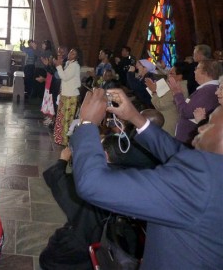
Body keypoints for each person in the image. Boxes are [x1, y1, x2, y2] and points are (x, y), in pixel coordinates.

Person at [70, 87, 223, 270]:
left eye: (211, 123)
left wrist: (87, 124)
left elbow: (92, 183)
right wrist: (136, 118)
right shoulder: (214, 168)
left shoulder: (203, 183)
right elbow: (178, 153)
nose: (202, 126)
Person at [169, 59, 221, 144]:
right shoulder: (208, 89)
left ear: (205, 72)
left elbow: (186, 112)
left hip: (188, 139)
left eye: (197, 68)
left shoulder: (207, 91)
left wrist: (177, 93)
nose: (194, 71)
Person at [145, 61, 189, 135]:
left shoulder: (178, 89)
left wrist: (153, 91)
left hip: (167, 125)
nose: (168, 75)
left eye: (171, 73)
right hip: (164, 120)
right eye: (169, 72)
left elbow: (159, 105)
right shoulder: (174, 84)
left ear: (180, 76)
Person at [53, 48, 81, 146]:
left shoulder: (75, 66)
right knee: (61, 117)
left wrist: (58, 66)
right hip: (65, 93)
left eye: (74, 53)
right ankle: (60, 138)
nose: (71, 54)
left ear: (77, 57)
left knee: (66, 118)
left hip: (71, 95)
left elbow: (64, 77)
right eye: (70, 52)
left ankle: (65, 140)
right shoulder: (68, 63)